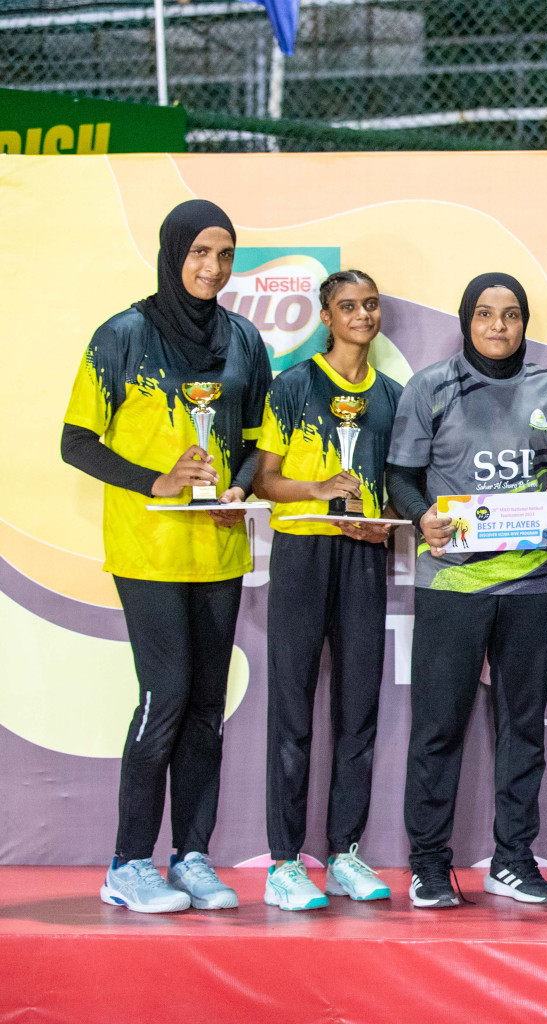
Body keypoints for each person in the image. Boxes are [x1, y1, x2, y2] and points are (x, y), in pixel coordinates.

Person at [62, 199, 271, 914]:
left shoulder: (244, 340)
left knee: (208, 710)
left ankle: (191, 856)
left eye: (224, 253)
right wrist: (154, 480)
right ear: (171, 252)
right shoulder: (120, 335)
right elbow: (77, 442)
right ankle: (127, 863)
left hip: (220, 551)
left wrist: (239, 487)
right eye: (199, 253)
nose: (212, 267)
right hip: (147, 551)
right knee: (167, 698)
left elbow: (251, 441)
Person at [385, 272, 547, 909]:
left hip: (533, 584)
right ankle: (429, 865)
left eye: (512, 315)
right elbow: (401, 476)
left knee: (522, 727)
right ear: (467, 320)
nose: (499, 326)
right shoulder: (431, 387)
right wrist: (420, 517)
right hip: (453, 582)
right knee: (438, 728)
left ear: (525, 323)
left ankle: (514, 860)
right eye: (486, 314)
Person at [252, 270, 401, 911]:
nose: (362, 315)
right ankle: (284, 863)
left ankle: (344, 854)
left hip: (363, 558)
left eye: (370, 305)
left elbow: (397, 488)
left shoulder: (394, 397)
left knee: (358, 711)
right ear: (325, 315)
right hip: (302, 553)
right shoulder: (292, 386)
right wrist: (317, 491)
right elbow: (265, 479)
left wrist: (382, 524)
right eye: (348, 306)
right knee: (292, 713)